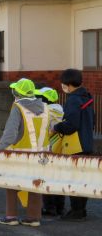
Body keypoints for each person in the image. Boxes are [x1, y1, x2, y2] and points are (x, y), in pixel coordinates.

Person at [0, 78, 50, 227]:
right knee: (35, 184)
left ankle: (11, 216)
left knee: (11, 184)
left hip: (19, 154)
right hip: (41, 156)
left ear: (17, 93)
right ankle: (33, 218)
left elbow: (10, 134)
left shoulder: (18, 107)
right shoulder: (45, 107)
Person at [53, 69, 94, 221]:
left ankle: (76, 211)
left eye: (63, 83)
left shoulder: (73, 100)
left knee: (74, 178)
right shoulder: (87, 97)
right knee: (83, 178)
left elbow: (71, 125)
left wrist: (57, 127)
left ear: (68, 84)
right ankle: (82, 210)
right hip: (87, 142)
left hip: (75, 145)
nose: (62, 85)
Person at [35, 87, 65, 216]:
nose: (38, 99)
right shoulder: (61, 110)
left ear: (46, 99)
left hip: (49, 147)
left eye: (40, 97)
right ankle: (60, 207)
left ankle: (49, 208)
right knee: (59, 177)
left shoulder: (46, 111)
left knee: (47, 177)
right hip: (61, 147)